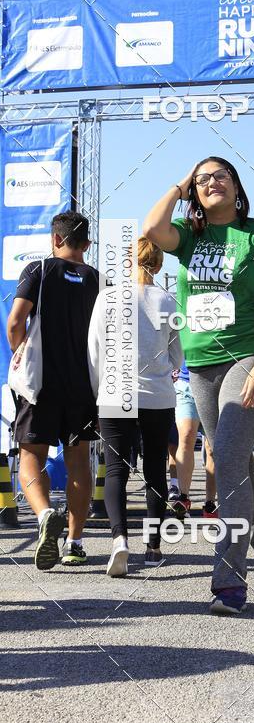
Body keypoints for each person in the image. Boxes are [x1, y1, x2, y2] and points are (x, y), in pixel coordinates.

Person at [143, 156, 254, 614]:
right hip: (200, 366)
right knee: (234, 462)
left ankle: (229, 581)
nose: (211, 183)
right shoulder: (189, 237)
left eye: (220, 175)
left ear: (237, 185)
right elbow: (151, 230)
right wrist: (180, 184)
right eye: (203, 179)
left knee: (224, 457)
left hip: (247, 358)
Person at [6, 211, 99, 570]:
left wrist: (21, 353)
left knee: (31, 455)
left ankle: (45, 514)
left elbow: (16, 321)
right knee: (79, 461)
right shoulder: (99, 280)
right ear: (86, 245)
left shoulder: (39, 270)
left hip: (40, 383)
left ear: (55, 239)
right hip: (83, 385)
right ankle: (75, 542)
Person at [87, 237, 183, 576]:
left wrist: (99, 393)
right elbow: (178, 355)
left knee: (116, 470)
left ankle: (119, 541)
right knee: (155, 469)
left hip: (114, 394)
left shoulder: (106, 299)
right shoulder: (167, 301)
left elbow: (95, 354)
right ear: (158, 265)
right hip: (157, 395)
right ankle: (153, 547)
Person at [167, 361, 217, 518]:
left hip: (215, 383)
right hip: (186, 383)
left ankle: (210, 503)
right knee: (186, 436)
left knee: (212, 447)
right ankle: (183, 497)